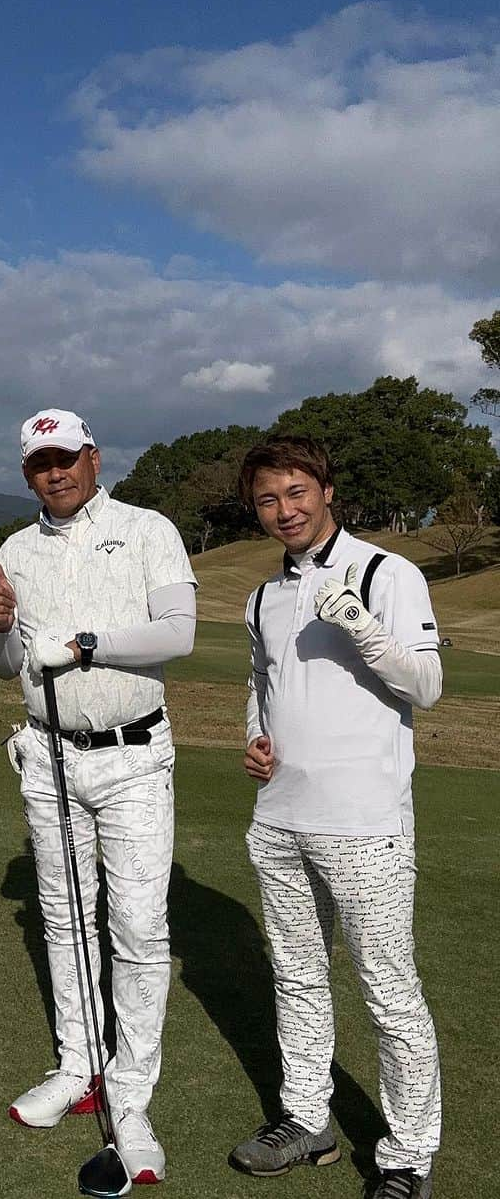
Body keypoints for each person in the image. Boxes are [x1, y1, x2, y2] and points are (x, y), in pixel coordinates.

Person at [0, 409, 197, 1188]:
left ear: (94, 459)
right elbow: (7, 665)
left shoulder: (148, 528)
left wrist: (83, 646)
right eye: (41, 463)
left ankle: (130, 1098)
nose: (55, 473)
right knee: (66, 921)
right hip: (49, 757)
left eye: (67, 458)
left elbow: (178, 631)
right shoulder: (13, 548)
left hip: (133, 755)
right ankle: (80, 1066)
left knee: (138, 927)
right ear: (27, 473)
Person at [230, 436, 442, 1199]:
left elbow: (426, 684)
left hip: (364, 822)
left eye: (296, 493)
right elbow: (263, 679)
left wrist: (357, 620)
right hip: (280, 818)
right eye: (266, 499)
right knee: (296, 977)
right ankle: (306, 1118)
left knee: (387, 990)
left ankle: (408, 1156)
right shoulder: (263, 596)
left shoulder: (389, 572)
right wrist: (254, 738)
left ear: (325, 488)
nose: (283, 511)